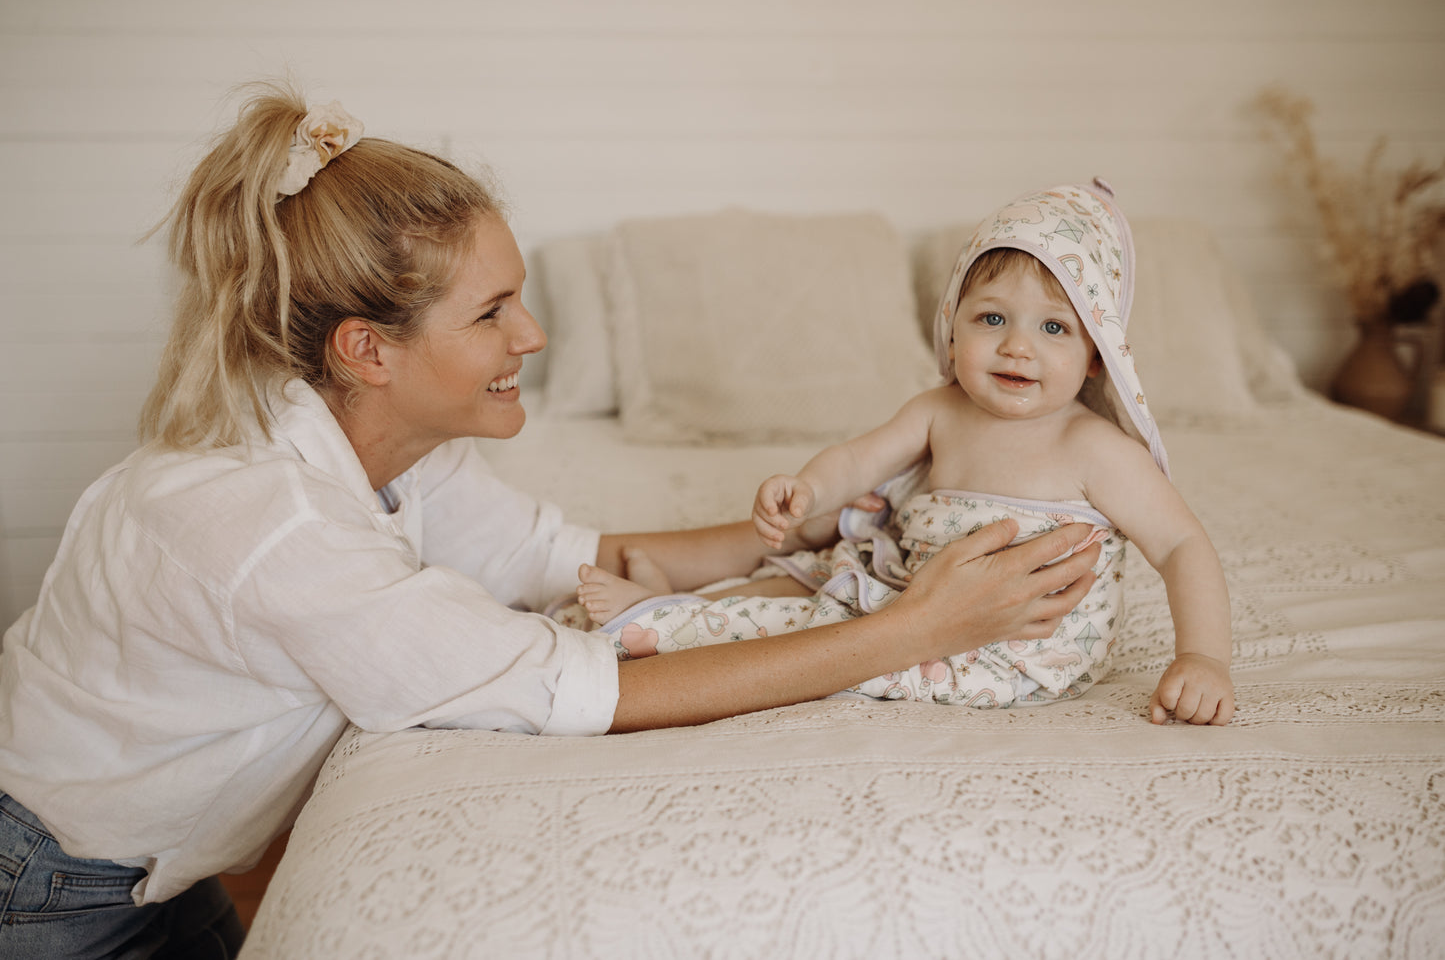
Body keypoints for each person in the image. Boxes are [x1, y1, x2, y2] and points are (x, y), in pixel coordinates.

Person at [0, 84, 1101, 959]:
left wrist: (808, 533)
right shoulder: (274, 529)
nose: (530, 335)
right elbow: (590, 691)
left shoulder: (396, 446)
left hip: (155, 867)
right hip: (49, 881)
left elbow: (574, 559)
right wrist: (913, 629)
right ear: (367, 350)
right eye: (491, 313)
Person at [576, 182, 1234, 725]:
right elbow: (858, 461)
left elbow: (1182, 545)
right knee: (806, 579)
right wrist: (808, 489)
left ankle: (657, 622)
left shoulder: (1095, 449)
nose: (1017, 346)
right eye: (992, 318)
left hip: (1004, 649)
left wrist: (1203, 656)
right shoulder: (940, 411)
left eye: (1054, 327)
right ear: (952, 327)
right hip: (906, 592)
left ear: (1096, 356)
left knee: (803, 628)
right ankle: (673, 603)